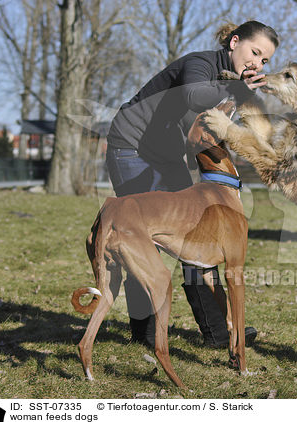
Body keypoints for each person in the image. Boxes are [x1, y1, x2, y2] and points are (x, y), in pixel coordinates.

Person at [105, 21, 279, 349]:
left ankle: (218, 333)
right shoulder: (199, 64)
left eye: (265, 60)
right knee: (143, 236)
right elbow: (194, 95)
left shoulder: (231, 85)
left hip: (169, 155)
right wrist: (238, 90)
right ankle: (144, 334)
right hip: (131, 146)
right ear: (234, 42)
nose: (257, 63)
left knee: (198, 236)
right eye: (255, 52)